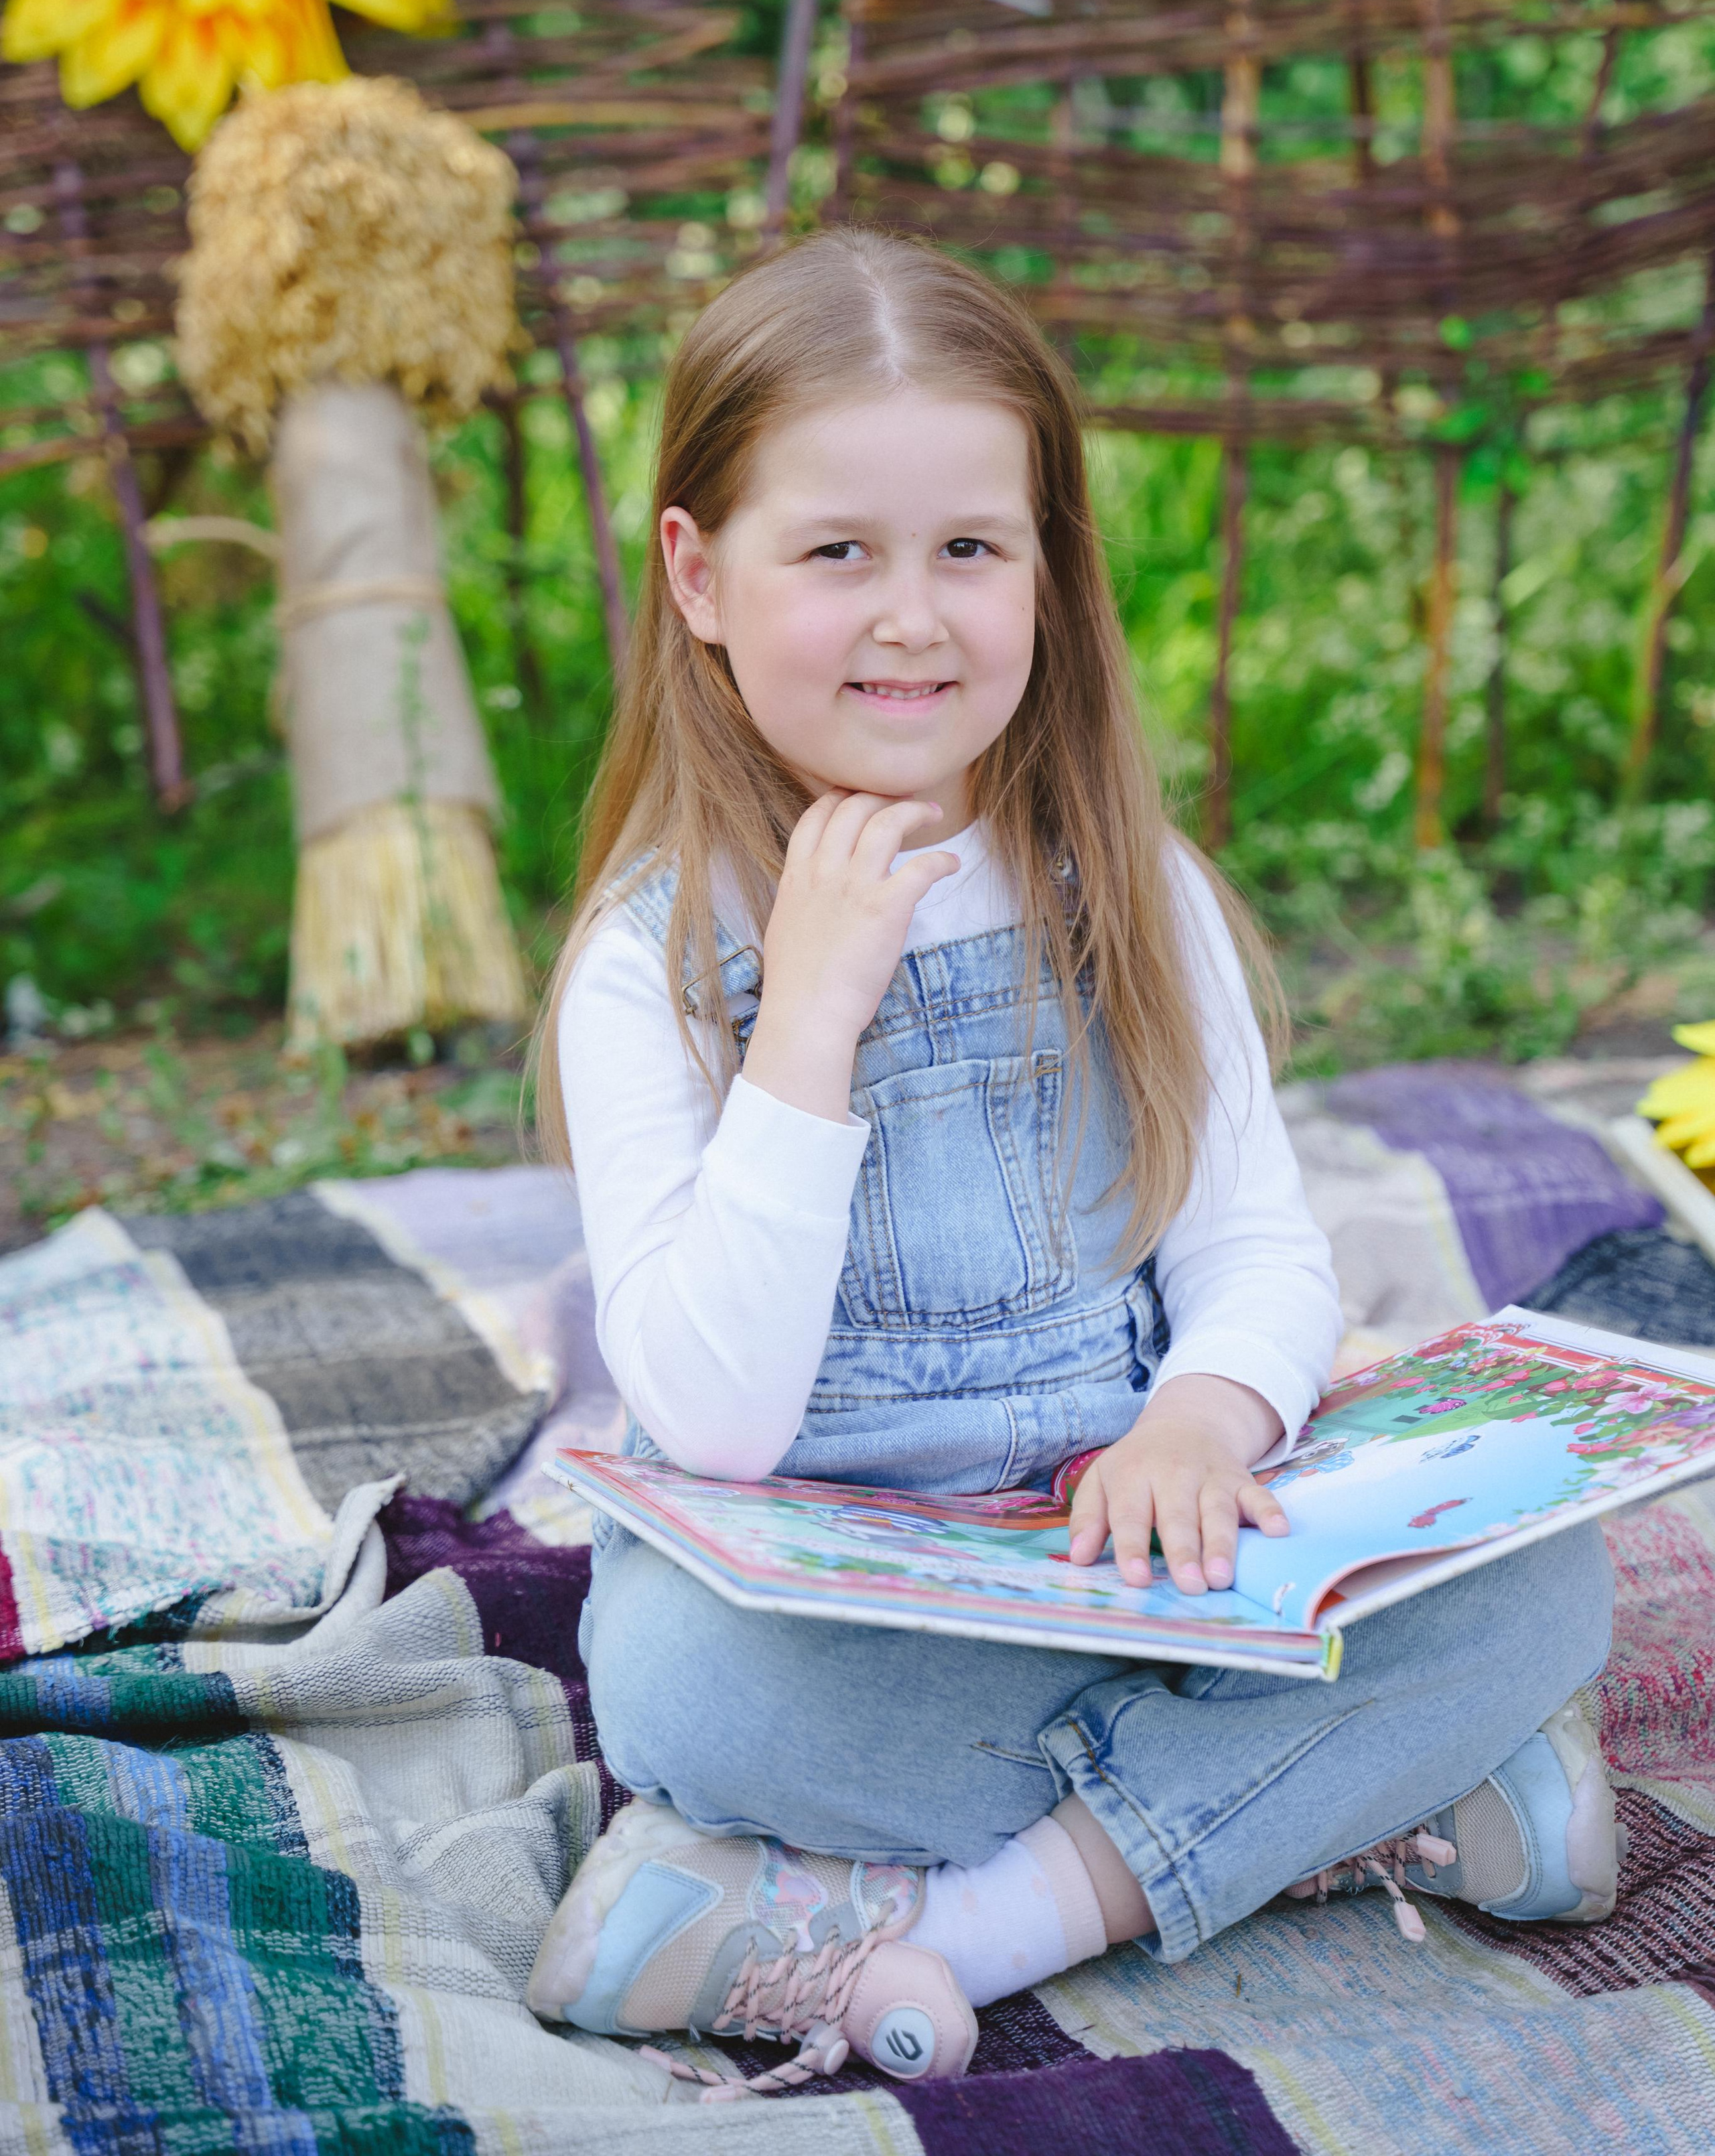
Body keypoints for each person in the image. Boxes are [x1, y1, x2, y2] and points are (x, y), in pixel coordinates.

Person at [525, 230, 1617, 2096]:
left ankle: (935, 1924)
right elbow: (709, 1419)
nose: (913, 618)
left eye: (971, 548)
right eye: (837, 552)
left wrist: (1203, 1419)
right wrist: (807, 1023)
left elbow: (1261, 1259)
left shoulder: (1132, 897)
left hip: (1139, 1554)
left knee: (1547, 1579)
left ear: (1049, 567)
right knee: (680, 1684)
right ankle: (1361, 1801)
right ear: (700, 577)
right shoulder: (649, 965)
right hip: (857, 1613)